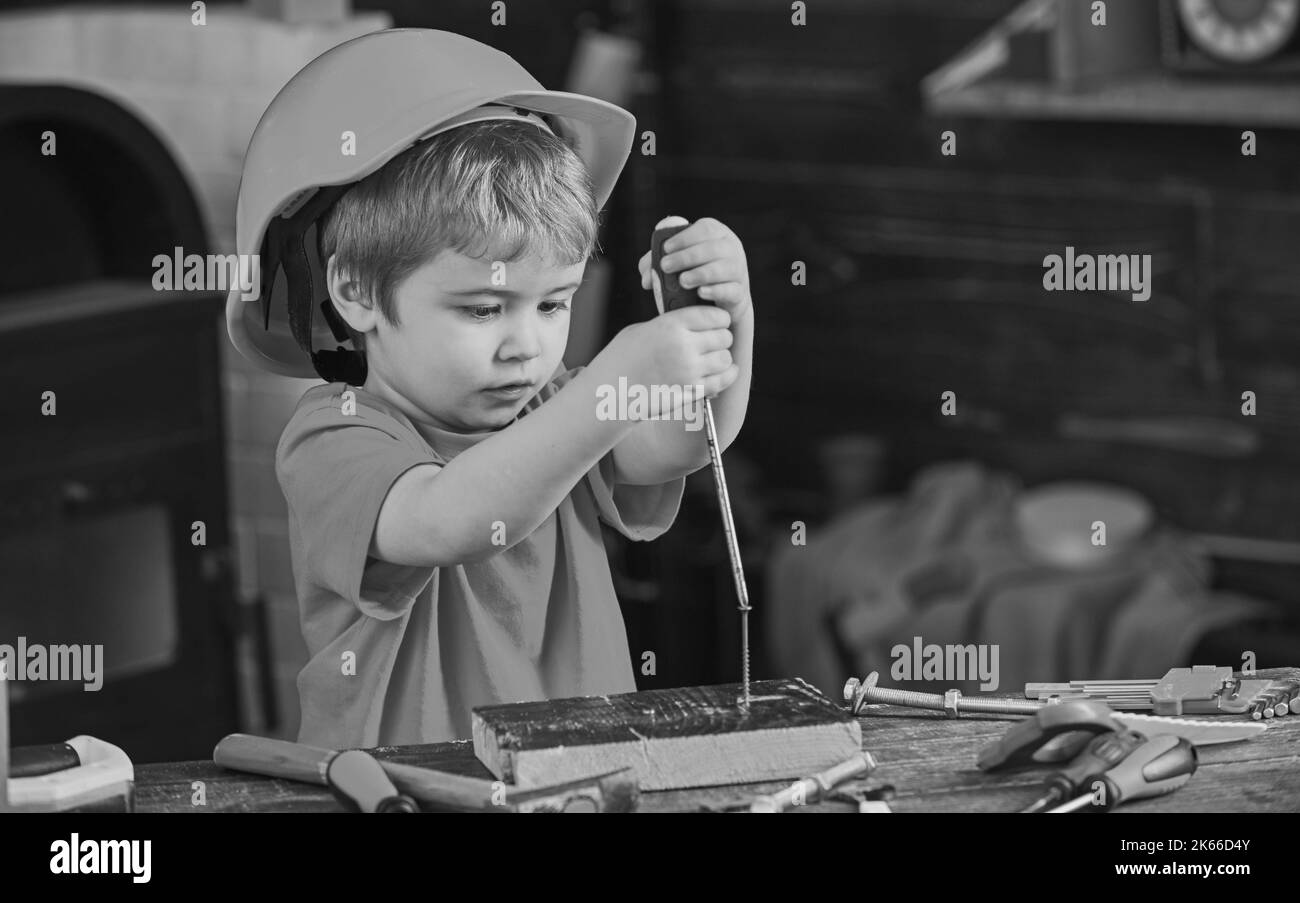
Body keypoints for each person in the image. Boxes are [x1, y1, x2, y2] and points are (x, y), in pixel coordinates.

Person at [225, 29, 754, 746]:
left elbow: (690, 442)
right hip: (406, 789)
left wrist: (725, 323)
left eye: (553, 303)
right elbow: (449, 519)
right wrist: (607, 386)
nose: (525, 344)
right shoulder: (335, 435)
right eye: (481, 308)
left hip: (577, 779)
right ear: (354, 289)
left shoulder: (556, 406)